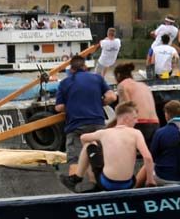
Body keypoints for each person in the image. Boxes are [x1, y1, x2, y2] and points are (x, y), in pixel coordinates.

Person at [55, 56, 117, 191]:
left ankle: (73, 188)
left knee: (75, 158)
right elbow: (112, 96)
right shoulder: (97, 78)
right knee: (96, 156)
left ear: (71, 69)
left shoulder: (65, 83)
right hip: (97, 124)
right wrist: (99, 103)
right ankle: (98, 186)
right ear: (85, 67)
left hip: (76, 126)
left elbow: (59, 107)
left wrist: (71, 106)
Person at [75, 102, 155, 192]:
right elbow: (148, 158)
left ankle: (82, 179)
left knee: (88, 145)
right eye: (135, 118)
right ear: (126, 119)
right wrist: (150, 180)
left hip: (107, 183)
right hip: (128, 184)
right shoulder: (136, 133)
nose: (136, 121)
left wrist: (93, 152)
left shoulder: (104, 133)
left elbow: (83, 137)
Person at [113, 63, 159, 143]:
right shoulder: (143, 85)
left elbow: (124, 110)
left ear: (118, 75)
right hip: (155, 123)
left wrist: (109, 127)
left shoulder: (122, 85)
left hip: (139, 124)